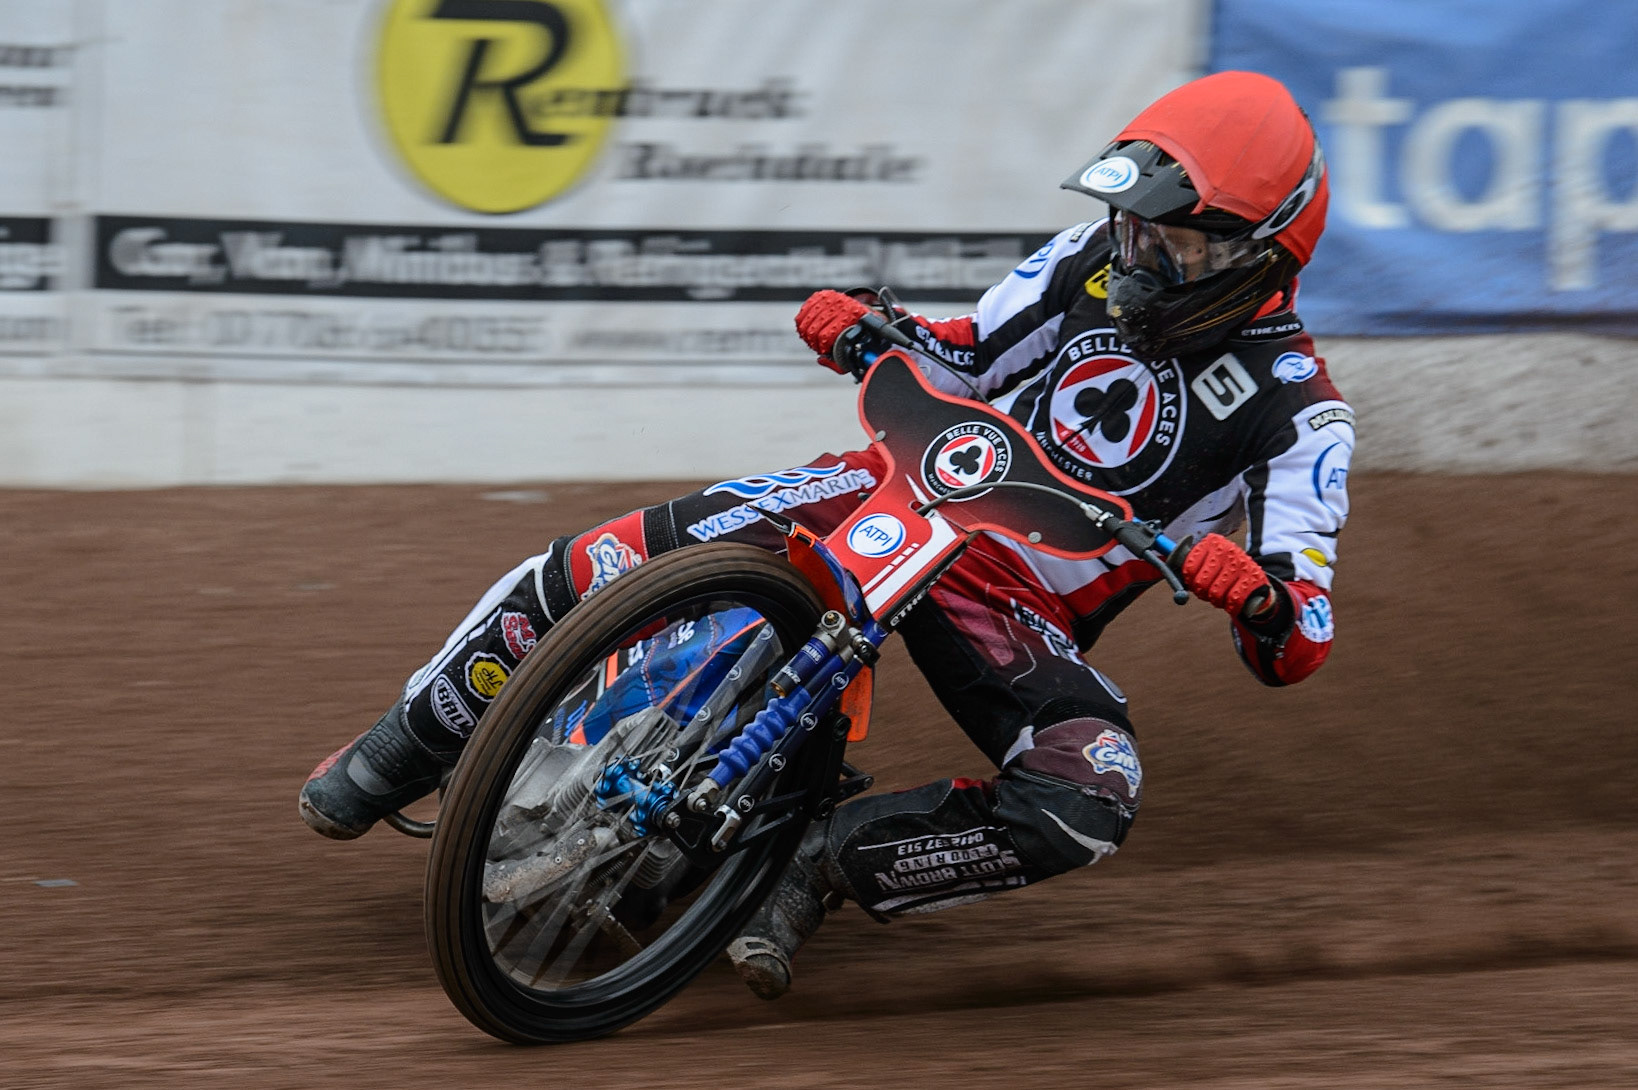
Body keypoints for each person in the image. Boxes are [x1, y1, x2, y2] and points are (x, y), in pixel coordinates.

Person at [300, 70, 1354, 1000]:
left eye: (1169, 246)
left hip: (1015, 604)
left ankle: (823, 855)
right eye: (1133, 231)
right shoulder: (1088, 259)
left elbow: (1298, 636)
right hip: (893, 489)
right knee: (597, 562)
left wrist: (1252, 595)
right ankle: (410, 741)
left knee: (1095, 788)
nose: (1134, 262)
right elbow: (967, 352)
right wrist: (867, 324)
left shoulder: (1304, 412)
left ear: (1258, 258)